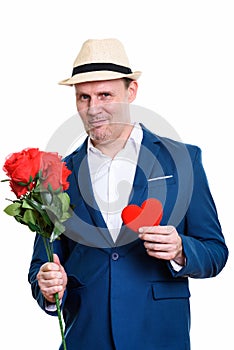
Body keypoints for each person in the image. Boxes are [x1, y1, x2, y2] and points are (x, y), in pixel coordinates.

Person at [28, 38, 228, 350]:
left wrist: (179, 250)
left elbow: (215, 252)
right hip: (86, 338)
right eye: (83, 97)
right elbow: (43, 263)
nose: (93, 109)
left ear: (131, 91)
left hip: (160, 336)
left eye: (105, 94)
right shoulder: (57, 175)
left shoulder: (183, 161)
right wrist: (49, 286)